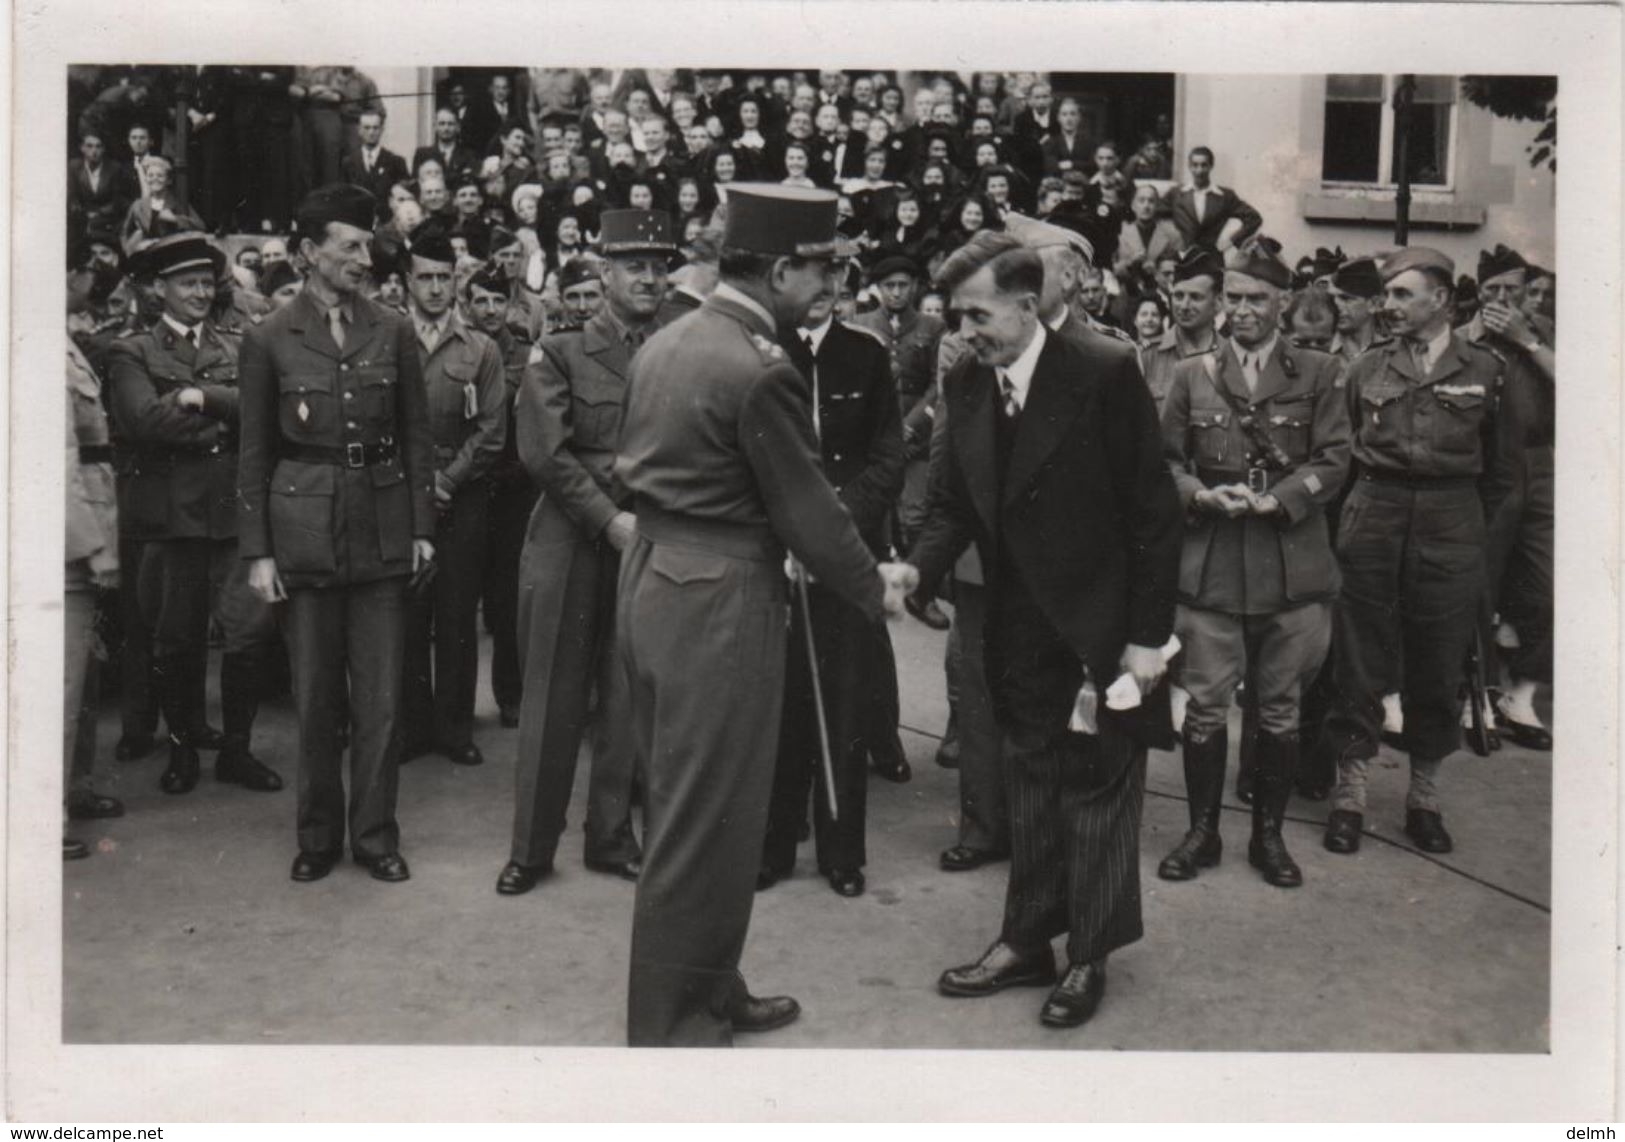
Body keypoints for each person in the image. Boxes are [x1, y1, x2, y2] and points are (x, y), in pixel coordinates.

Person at [614, 184, 904, 1046]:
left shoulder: (669, 341)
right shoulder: (759, 368)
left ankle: (711, 986)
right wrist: (876, 588)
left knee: (697, 808)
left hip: (658, 581)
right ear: (780, 269)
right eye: (823, 269)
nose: (833, 284)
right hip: (723, 600)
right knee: (707, 821)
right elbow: (810, 514)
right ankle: (671, 1025)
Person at [894, 230, 1182, 1029]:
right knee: (1029, 786)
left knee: (1095, 792)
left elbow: (1153, 515)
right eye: (955, 316)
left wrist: (1144, 639)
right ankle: (1025, 940)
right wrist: (915, 568)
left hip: (1101, 631)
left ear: (1026, 306)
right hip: (1018, 628)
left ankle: (1087, 955)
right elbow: (953, 500)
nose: (964, 330)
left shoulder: (1101, 371)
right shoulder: (967, 380)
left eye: (977, 314)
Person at [236, 184, 437, 884]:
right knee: (316, 698)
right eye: (348, 245)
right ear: (306, 253)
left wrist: (421, 528)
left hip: (381, 531)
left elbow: (415, 437)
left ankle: (375, 836)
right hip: (304, 533)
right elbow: (255, 453)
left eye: (366, 244)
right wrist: (258, 550)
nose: (364, 256)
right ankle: (318, 836)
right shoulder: (268, 337)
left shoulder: (393, 329)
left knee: (381, 701)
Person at [1156, 241, 1350, 889]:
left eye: (1256, 299)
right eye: (1232, 297)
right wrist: (1199, 495)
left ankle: (1267, 837)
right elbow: (1165, 463)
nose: (1242, 310)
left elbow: (1333, 459)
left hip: (1291, 565)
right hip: (1210, 563)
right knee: (1205, 710)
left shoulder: (1317, 373)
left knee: (1278, 710)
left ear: (1283, 304)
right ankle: (1201, 832)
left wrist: (1281, 498)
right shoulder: (1191, 375)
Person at [497, 210, 676, 897]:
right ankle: (531, 849)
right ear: (604, 276)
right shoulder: (562, 350)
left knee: (628, 695)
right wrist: (610, 518)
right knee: (552, 699)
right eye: (635, 266)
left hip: (647, 540)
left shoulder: (673, 347)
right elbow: (544, 452)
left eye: (660, 267)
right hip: (572, 540)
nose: (650, 278)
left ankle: (610, 838)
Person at [1318, 248, 1519, 857]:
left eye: (1404, 294)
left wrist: (1467, 536)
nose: (1389, 305)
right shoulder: (1367, 368)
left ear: (1441, 300)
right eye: (1387, 294)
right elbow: (1348, 448)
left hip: (1451, 522)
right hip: (1375, 515)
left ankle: (1424, 796)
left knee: (1438, 663)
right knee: (1357, 658)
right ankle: (1349, 794)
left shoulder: (1486, 369)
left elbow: (1504, 476)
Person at [105, 233, 285, 799]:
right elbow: (144, 423)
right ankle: (183, 747)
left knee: (248, 633)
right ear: (160, 290)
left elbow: (265, 409)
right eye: (188, 283)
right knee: (174, 639)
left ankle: (236, 749)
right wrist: (224, 417)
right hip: (172, 519)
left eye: (208, 282)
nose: (201, 293)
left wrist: (198, 397)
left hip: (235, 512)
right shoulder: (132, 351)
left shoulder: (238, 344)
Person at [759, 250, 906, 898]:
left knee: (845, 701)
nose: (821, 290)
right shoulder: (764, 352)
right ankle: (774, 845)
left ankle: (842, 850)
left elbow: (888, 455)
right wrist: (791, 530)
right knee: (780, 703)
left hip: (846, 553)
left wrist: (835, 525)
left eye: (833, 276)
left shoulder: (866, 354)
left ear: (843, 283)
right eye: (808, 276)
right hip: (778, 552)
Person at [397, 225, 508, 767]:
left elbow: (492, 430)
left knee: (459, 614)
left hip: (461, 495)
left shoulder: (480, 348)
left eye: (444, 278)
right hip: (402, 493)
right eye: (426, 278)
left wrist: (446, 482)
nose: (436, 289)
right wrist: (419, 485)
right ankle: (413, 727)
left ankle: (454, 727)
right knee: (409, 614)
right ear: (407, 282)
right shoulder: (390, 338)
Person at [1468, 245, 1555, 751]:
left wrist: (1527, 341)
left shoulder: (1545, 334)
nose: (1502, 299)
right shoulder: (1466, 340)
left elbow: (1591, 388)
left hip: (1540, 466)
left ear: (1528, 294)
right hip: (1487, 469)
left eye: (1513, 291)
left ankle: (1521, 694)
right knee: (1479, 584)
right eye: (1492, 291)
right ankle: (1475, 691)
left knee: (1546, 586)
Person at [464, 263, 538, 729]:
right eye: (480, 301)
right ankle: (456, 706)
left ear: (511, 304)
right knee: (460, 595)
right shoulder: (459, 350)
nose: (490, 310)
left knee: (510, 598)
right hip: (470, 481)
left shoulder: (527, 355)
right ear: (466, 303)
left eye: (498, 301)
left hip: (514, 485)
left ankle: (511, 694)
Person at [65, 293, 125, 859]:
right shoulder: (42, 354)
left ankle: (74, 788)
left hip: (84, 534)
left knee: (82, 681)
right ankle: (45, 816)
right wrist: (95, 549)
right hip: (70, 549)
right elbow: (62, 464)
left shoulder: (62, 348)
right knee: (61, 687)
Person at [1140, 247, 1224, 412]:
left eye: (1195, 297)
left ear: (1218, 303)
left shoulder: (1231, 356)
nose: (1184, 306)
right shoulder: (1146, 357)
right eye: (1178, 296)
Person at [1162, 147, 1262, 254]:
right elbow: (1154, 215)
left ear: (1211, 166)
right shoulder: (1176, 193)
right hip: (1181, 258)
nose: (1199, 171)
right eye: (1195, 165)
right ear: (1189, 167)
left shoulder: (1225, 196)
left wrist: (1231, 241)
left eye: (1204, 165)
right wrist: (1172, 238)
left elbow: (1254, 218)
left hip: (1212, 259)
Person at [340, 109, 410, 210]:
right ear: (359, 130)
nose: (371, 132)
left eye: (375, 128)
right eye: (367, 128)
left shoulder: (396, 161)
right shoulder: (348, 163)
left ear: (382, 129)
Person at [1327, 257, 1384, 364]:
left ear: (1373, 304)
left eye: (1346, 298)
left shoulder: (1389, 351)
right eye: (1332, 298)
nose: (1336, 305)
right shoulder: (1321, 348)